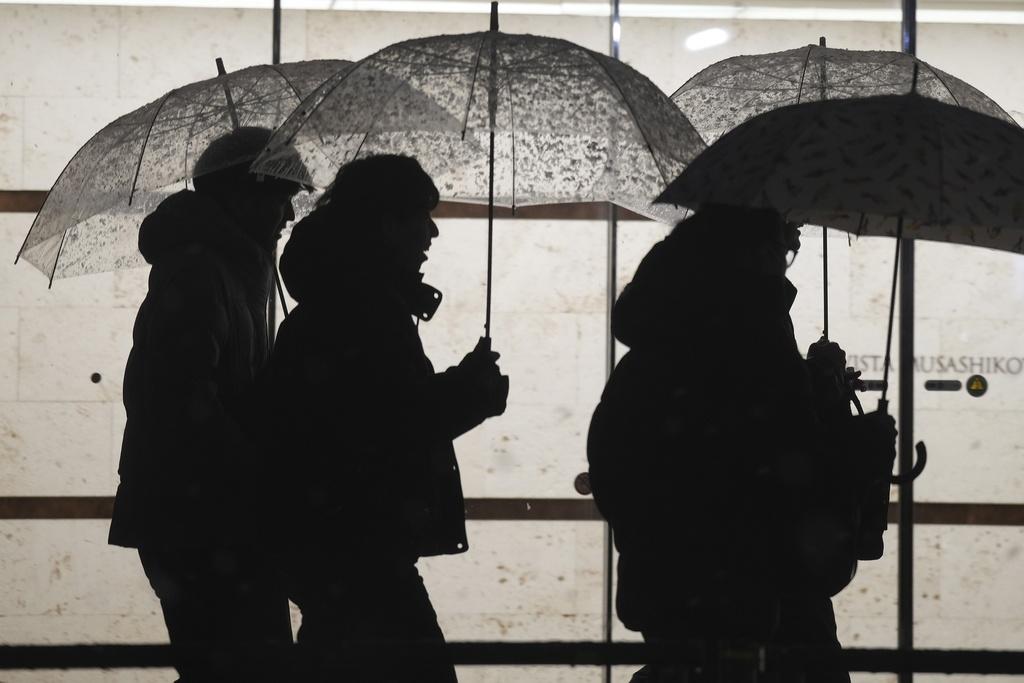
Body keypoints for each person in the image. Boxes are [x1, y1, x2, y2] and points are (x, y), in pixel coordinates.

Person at [587, 204, 897, 682]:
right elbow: (787, 478)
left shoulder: (659, 353)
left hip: (675, 603)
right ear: (749, 257)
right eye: (781, 249)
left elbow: (633, 466)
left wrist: (817, 391)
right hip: (768, 612)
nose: (785, 261)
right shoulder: (753, 349)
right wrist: (860, 448)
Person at [265, 154, 509, 682]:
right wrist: (471, 393)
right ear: (385, 224)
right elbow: (390, 426)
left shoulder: (343, 304)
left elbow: (375, 412)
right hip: (359, 549)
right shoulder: (363, 311)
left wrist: (463, 389)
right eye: (421, 216)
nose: (433, 233)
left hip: (335, 546)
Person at [108, 127, 305, 682]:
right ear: (245, 197)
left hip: (206, 516)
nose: (289, 215)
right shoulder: (201, 275)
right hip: (201, 519)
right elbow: (176, 402)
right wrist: (257, 460)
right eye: (281, 197)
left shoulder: (229, 273)